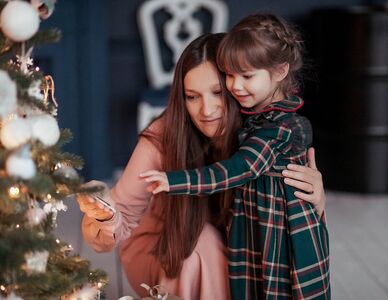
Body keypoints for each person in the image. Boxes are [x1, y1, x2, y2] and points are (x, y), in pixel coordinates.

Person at [78, 32, 327, 299]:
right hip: (169, 252)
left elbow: (295, 219)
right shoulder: (164, 135)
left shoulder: (261, 132)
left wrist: (317, 198)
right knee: (201, 243)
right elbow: (122, 213)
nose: (206, 110)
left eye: (217, 93)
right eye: (192, 96)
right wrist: (105, 216)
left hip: (243, 256)